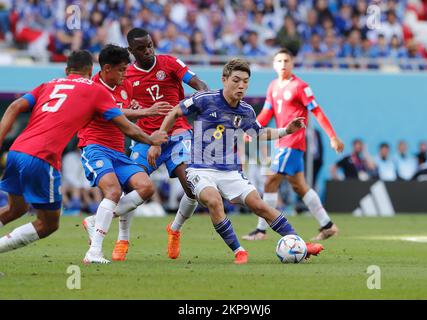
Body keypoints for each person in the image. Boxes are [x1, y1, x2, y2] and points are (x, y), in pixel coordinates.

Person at [149, 58, 324, 264]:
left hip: (230, 172)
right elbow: (175, 111)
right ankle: (238, 250)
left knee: (259, 205)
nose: (241, 86)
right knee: (213, 201)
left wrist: (286, 130)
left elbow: (259, 133)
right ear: (224, 79)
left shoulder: (246, 111)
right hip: (200, 169)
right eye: (236, 80)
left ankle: (300, 244)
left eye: (245, 82)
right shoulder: (205, 99)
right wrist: (158, 139)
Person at [0, 50, 168, 256]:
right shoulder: (95, 90)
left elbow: (15, 105)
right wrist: (152, 139)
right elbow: (128, 128)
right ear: (91, 71)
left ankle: (97, 230)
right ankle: (95, 249)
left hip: (16, 152)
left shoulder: (48, 84)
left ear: (66, 70)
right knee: (49, 224)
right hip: (43, 157)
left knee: (14, 210)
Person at [77, 44, 173, 263]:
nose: (125, 73)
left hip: (118, 150)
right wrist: (144, 111)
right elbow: (114, 112)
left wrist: (136, 111)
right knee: (113, 191)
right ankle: (94, 253)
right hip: (94, 146)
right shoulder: (91, 87)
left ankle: (94, 221)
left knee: (146, 187)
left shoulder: (126, 85)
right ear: (107, 68)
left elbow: (125, 115)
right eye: (121, 69)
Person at [242, 48, 344, 242]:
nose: (283, 64)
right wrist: (253, 129)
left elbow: (317, 111)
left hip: (293, 142)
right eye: (279, 61)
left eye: (286, 61)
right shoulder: (273, 86)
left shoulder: (300, 86)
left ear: (292, 63)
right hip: (282, 142)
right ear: (273, 65)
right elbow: (267, 113)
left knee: (270, 181)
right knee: (300, 186)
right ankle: (327, 225)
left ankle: (261, 230)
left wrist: (332, 136)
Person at [125, 28, 209, 260]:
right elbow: (122, 112)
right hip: (145, 138)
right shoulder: (127, 76)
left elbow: (198, 83)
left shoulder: (169, 63)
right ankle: (123, 239)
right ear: (131, 51)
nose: (148, 51)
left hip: (177, 132)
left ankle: (175, 229)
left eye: (150, 45)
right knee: (133, 186)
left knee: (193, 188)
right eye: (141, 49)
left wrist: (206, 96)